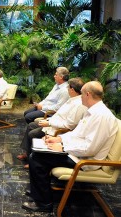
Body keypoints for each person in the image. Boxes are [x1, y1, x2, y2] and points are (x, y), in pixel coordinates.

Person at [22, 81, 118, 213]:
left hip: (85, 161)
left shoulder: (101, 116)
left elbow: (90, 148)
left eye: (82, 94)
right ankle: (38, 191)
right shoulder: (93, 112)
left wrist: (62, 147)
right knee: (38, 151)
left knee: (37, 158)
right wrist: (59, 139)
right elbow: (77, 135)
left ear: (88, 94)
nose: (80, 97)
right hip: (77, 153)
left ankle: (44, 203)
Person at [18, 78, 87, 168]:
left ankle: (33, 160)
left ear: (72, 90)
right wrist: (48, 121)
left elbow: (69, 125)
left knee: (32, 133)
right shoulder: (72, 99)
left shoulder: (78, 104)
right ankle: (28, 153)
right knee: (31, 125)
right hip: (52, 122)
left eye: (68, 88)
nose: (67, 90)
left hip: (58, 129)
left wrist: (49, 124)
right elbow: (59, 114)